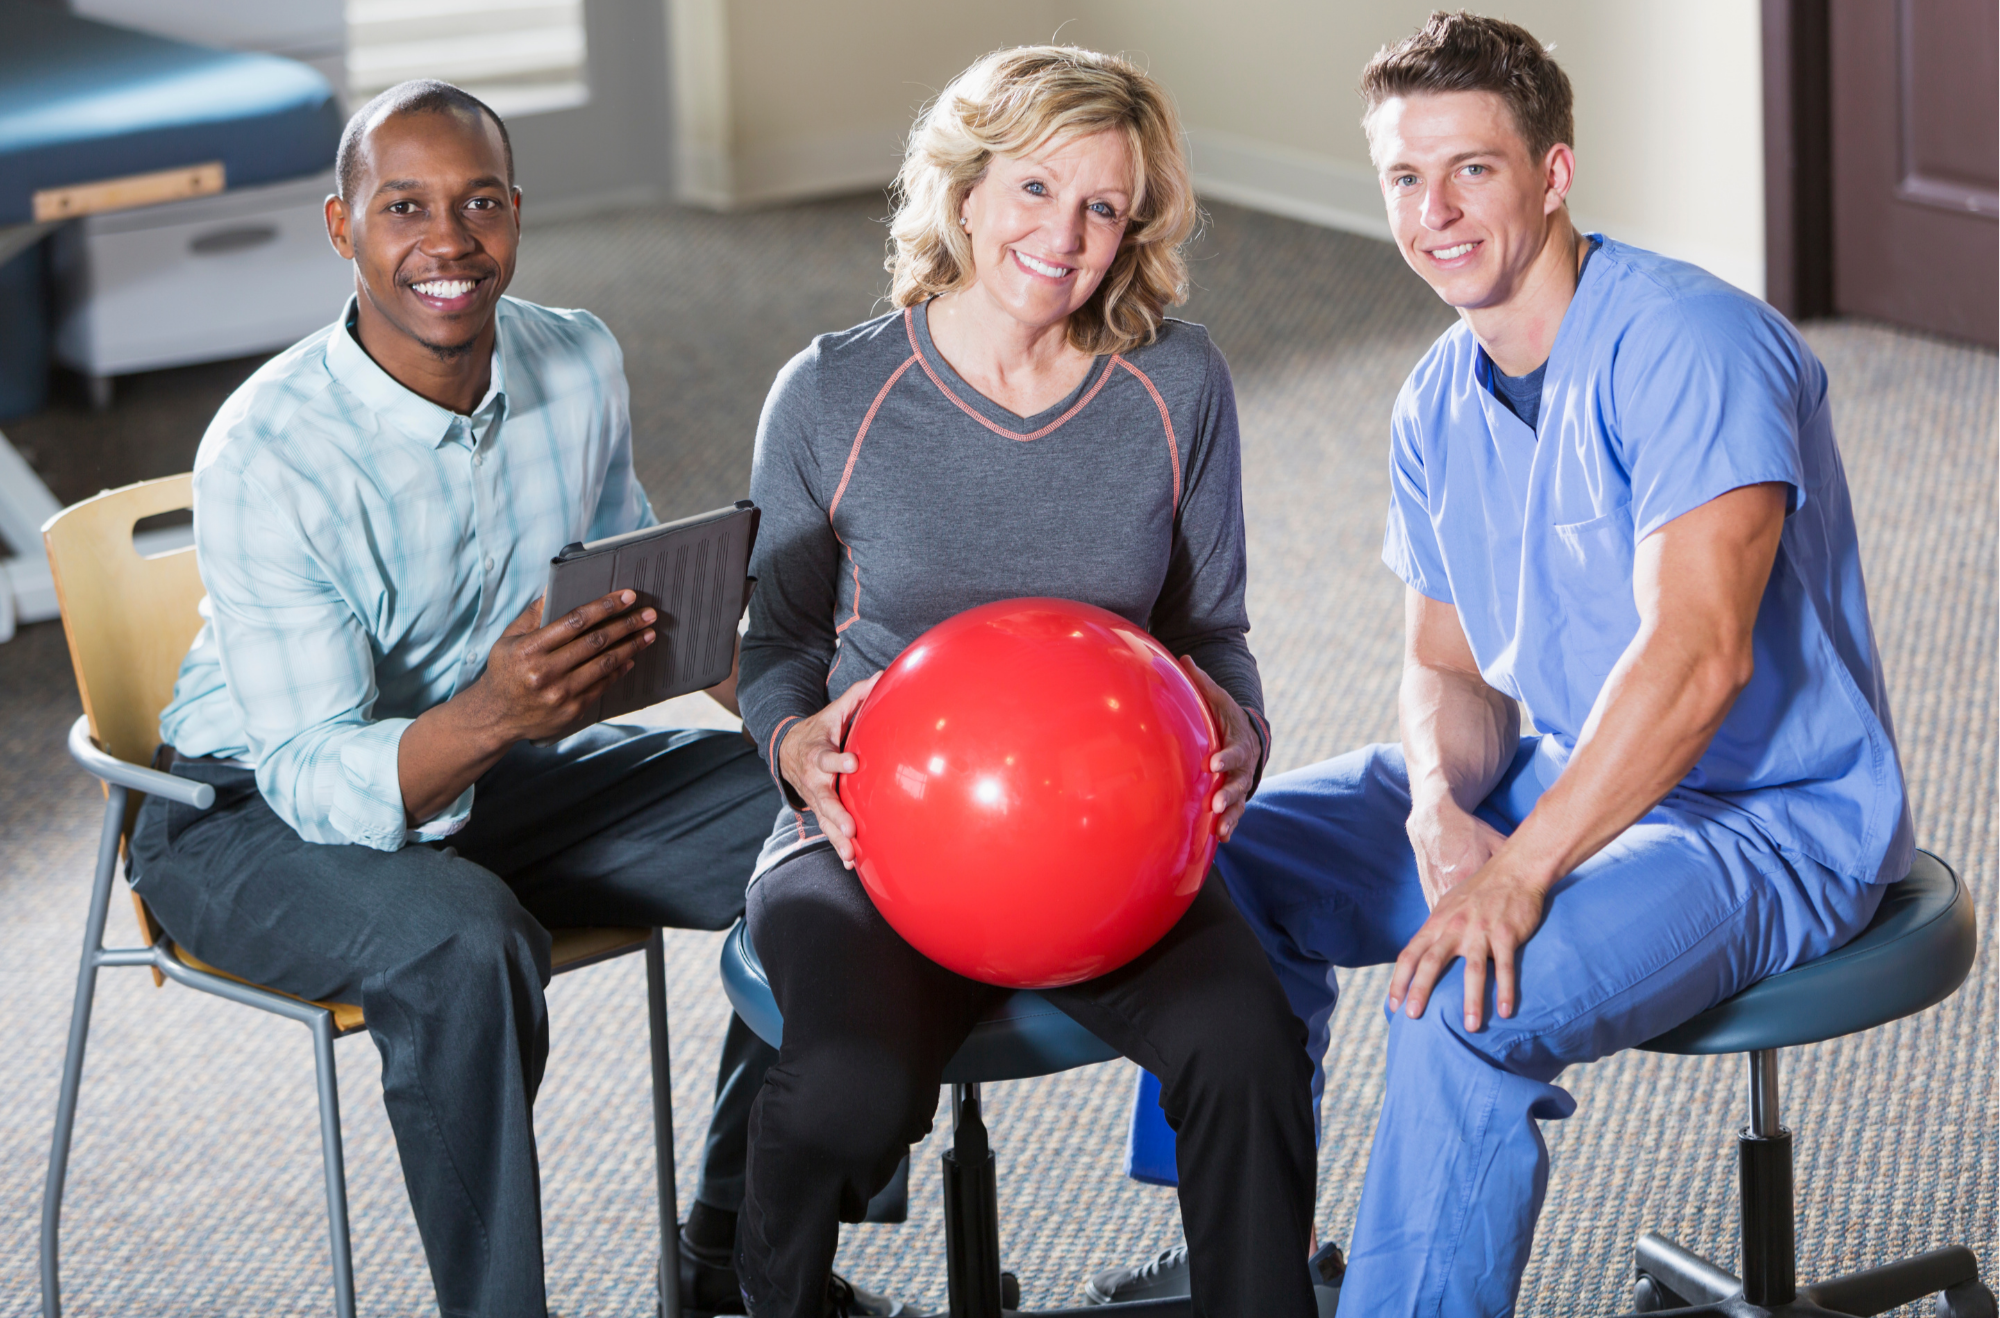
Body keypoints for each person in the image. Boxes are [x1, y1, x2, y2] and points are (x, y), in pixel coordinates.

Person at [1091, 12, 1913, 1316]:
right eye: (1405, 178)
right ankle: (1243, 1264)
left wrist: (1516, 873)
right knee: (1213, 865)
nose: (1437, 211)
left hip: (1766, 821)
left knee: (1459, 1003)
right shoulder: (1437, 394)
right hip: (1564, 769)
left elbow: (1699, 662)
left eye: (1472, 167)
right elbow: (1452, 668)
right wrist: (1440, 813)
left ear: (1553, 171)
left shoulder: (1690, 346)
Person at [128, 80, 898, 1318]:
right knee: (462, 938)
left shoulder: (574, 355)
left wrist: (787, 731)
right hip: (245, 815)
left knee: (836, 829)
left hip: (493, 770)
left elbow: (642, 600)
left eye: (479, 202)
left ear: (517, 215)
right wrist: (494, 715)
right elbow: (316, 772)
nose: (449, 241)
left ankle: (726, 1255)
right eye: (405, 208)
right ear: (342, 230)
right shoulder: (268, 449)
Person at [735, 46, 1320, 1318]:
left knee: (1250, 1047)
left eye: (1103, 207)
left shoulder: (1175, 383)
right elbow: (773, 644)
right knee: (845, 1091)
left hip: (1111, 844)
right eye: (1035, 189)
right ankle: (749, 1288)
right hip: (869, 847)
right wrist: (792, 750)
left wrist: (1239, 737)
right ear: (962, 190)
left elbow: (1210, 633)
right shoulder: (834, 389)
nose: (1064, 235)